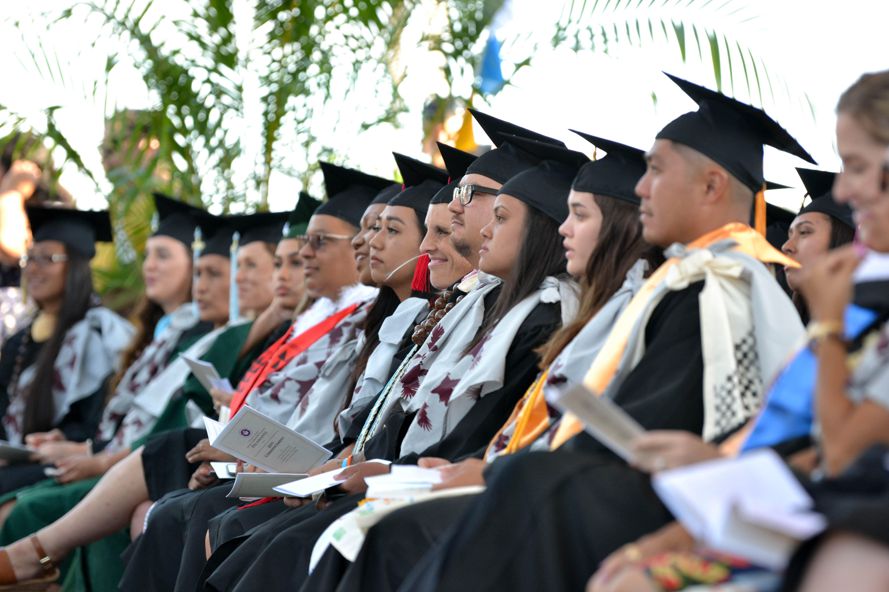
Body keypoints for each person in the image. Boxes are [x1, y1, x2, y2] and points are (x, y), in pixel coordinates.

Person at [396, 72, 810, 592]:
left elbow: (643, 429)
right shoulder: (691, 278)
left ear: (711, 186)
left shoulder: (723, 285)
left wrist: (497, 473)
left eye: (656, 171)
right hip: (621, 490)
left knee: (504, 493)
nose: (641, 188)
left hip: (671, 507)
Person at [202, 130, 576, 592]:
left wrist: (382, 469)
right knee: (224, 526)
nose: (468, 225)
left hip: (436, 485)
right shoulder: (471, 308)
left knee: (275, 545)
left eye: (486, 209)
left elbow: (475, 435)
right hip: (388, 473)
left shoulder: (541, 318)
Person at [310, 132, 663, 592]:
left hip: (531, 493)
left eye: (497, 215)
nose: (476, 230)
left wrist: (405, 472)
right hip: (480, 475)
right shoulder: (493, 307)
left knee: (370, 537)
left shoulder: (555, 315)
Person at [0, 194, 212, 588]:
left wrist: (85, 451)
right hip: (95, 455)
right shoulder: (152, 337)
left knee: (21, 506)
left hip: (130, 463)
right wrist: (71, 444)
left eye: (163, 256)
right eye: (32, 258)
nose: (149, 266)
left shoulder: (104, 334)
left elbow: (138, 425)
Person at [0, 206, 134, 495]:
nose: (33, 268)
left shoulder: (103, 335)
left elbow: (99, 419)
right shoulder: (19, 340)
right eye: (30, 257)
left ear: (74, 266)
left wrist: (59, 439)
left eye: (48, 258)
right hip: (16, 459)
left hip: (68, 460)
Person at [782, 168, 856, 323]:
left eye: (804, 232)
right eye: (789, 235)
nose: (786, 246)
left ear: (841, 242)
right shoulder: (785, 328)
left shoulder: (870, 329)